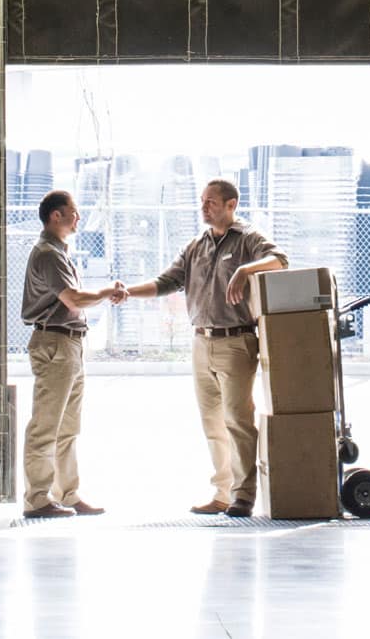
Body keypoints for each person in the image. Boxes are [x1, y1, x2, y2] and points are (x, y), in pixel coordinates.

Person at [118, 178, 287, 516]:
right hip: (201, 341)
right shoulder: (197, 245)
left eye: (211, 202)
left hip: (236, 341)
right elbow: (167, 281)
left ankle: (244, 495)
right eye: (202, 201)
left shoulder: (248, 239)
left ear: (231, 204)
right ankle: (222, 493)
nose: (204, 207)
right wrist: (127, 292)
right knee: (212, 422)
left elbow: (280, 260)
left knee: (238, 421)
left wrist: (244, 270)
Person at [20, 189, 124, 520]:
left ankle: (67, 494)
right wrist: (109, 291)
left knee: (67, 427)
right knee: (46, 425)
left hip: (71, 344)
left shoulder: (58, 253)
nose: (78, 217)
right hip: (56, 344)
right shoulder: (48, 254)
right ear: (56, 216)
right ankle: (37, 498)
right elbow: (74, 299)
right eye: (73, 212)